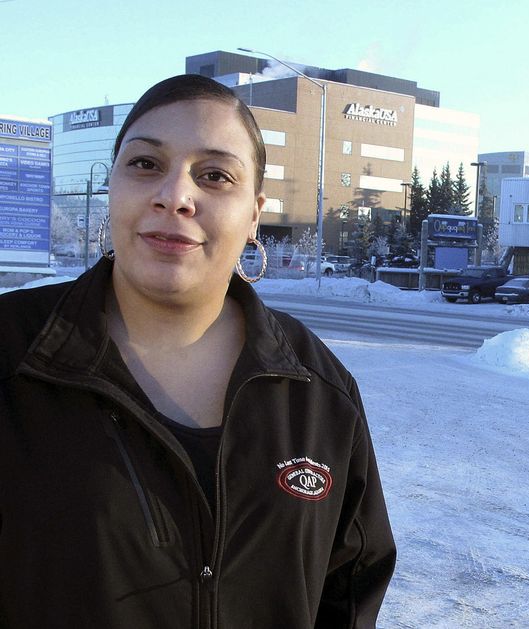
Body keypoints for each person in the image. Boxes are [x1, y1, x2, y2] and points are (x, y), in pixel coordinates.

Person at [0, 75, 395, 628]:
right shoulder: (13, 354)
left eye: (214, 175)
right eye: (145, 165)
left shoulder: (319, 392)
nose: (175, 196)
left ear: (254, 213)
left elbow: (349, 593)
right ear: (113, 186)